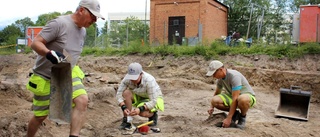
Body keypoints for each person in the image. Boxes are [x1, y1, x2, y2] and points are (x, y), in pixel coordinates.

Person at [26, 0, 105, 136]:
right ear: (81, 10)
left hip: (67, 72)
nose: (94, 20)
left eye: (96, 17)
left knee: (82, 100)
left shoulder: (83, 32)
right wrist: (48, 53)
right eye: (92, 16)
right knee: (40, 116)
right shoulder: (59, 24)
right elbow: (35, 43)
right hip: (45, 76)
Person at [206, 60, 256, 129]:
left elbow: (235, 98)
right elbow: (217, 93)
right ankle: (235, 114)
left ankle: (242, 117)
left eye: (214, 73)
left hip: (247, 96)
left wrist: (228, 118)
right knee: (214, 101)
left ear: (220, 70)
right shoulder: (220, 79)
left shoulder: (234, 76)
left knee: (242, 99)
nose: (213, 76)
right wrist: (211, 106)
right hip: (232, 96)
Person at [116, 62, 164, 129]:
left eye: (135, 77)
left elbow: (153, 101)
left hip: (153, 97)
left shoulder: (149, 80)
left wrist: (140, 108)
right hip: (138, 95)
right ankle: (127, 120)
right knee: (126, 93)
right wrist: (123, 107)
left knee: (142, 113)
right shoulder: (126, 79)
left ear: (141, 74)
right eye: (131, 77)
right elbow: (118, 94)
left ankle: (153, 115)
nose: (132, 80)